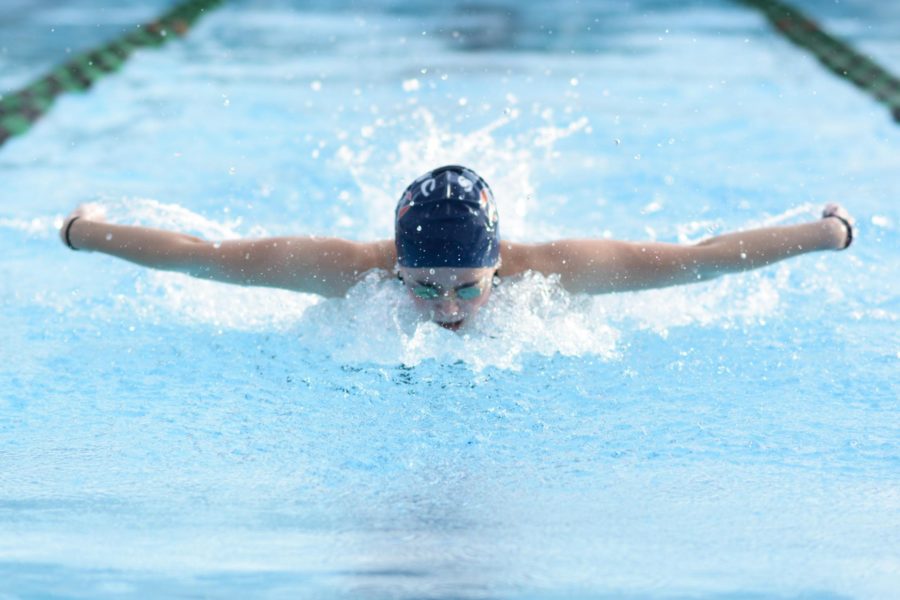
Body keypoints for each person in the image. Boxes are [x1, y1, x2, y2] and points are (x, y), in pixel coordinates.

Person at [60, 165, 855, 330]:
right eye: (424, 285)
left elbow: (702, 257)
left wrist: (826, 235)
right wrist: (83, 232)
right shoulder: (345, 270)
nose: (446, 307)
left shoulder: (556, 269)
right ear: (394, 262)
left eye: (468, 289)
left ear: (500, 261)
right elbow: (201, 255)